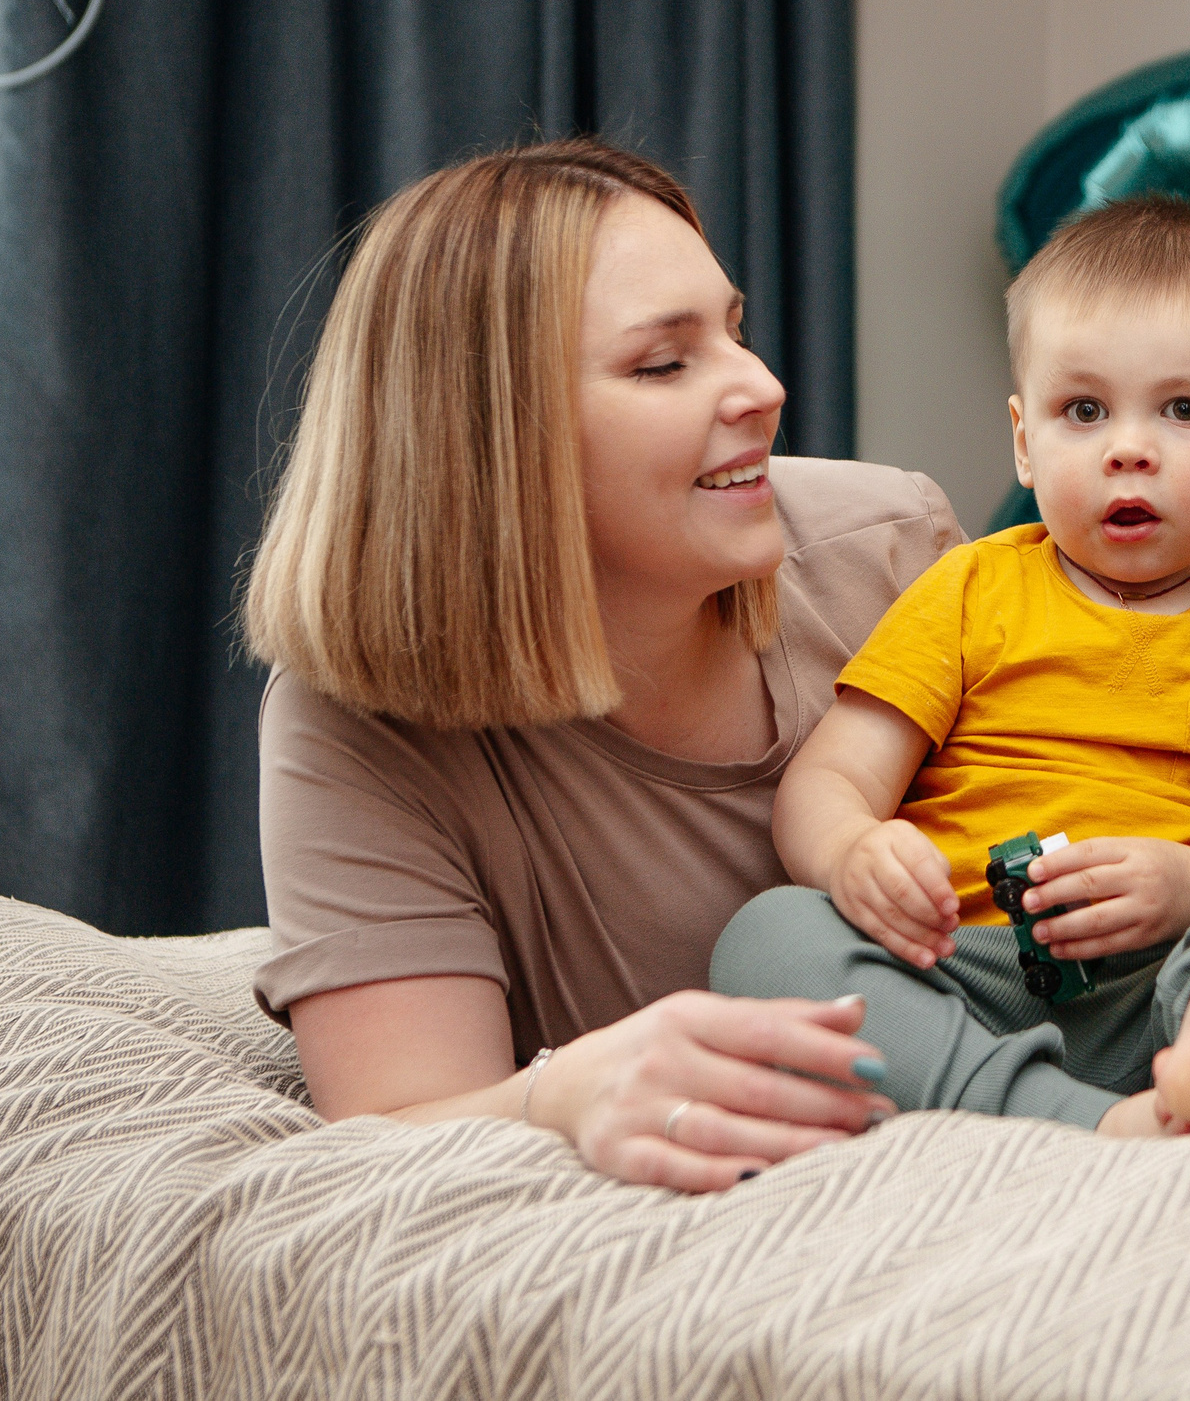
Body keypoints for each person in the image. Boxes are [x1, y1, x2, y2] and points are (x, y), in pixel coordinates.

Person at [248, 139, 942, 1193]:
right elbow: (396, 1121)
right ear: (488, 438)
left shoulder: (895, 551)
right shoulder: (355, 717)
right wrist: (563, 1093)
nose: (762, 385)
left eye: (736, 332)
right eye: (665, 363)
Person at [711, 197, 1190, 1135]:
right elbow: (830, 777)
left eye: (1184, 408)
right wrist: (853, 854)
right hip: (963, 968)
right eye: (1083, 410)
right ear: (1024, 439)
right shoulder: (966, 589)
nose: (1129, 447)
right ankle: (1096, 1122)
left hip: (1177, 971)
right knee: (767, 936)